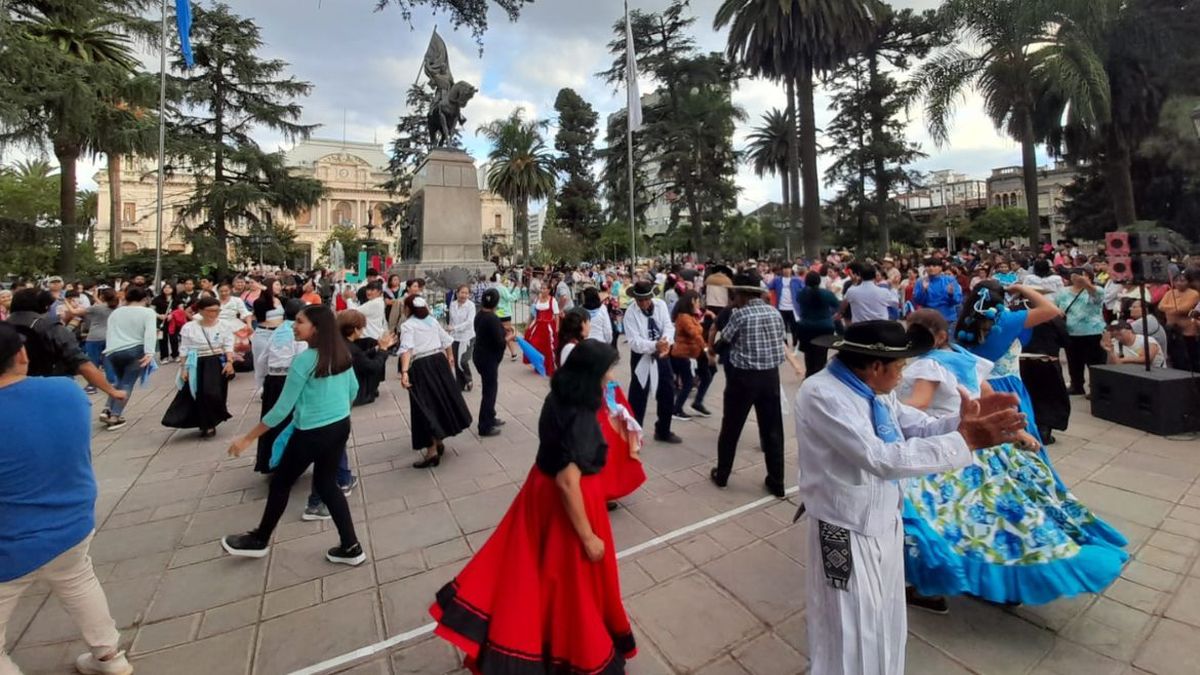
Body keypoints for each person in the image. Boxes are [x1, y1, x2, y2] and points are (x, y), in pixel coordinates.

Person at [794, 320, 1028, 675]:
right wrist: (967, 441)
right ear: (876, 367)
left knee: (884, 616)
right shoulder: (823, 394)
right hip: (843, 528)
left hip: (884, 518)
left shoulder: (875, 391)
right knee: (848, 622)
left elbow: (914, 425)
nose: (903, 376)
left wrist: (961, 423)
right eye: (900, 366)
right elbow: (881, 458)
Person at [428, 340, 641, 675]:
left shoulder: (558, 396)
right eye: (606, 370)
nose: (610, 376)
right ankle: (573, 650)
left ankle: (542, 639)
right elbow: (568, 482)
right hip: (568, 505)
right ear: (591, 375)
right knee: (571, 583)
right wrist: (587, 536)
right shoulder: (583, 415)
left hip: (538, 491)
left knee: (533, 574)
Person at [898, 310, 1126, 610]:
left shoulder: (929, 364)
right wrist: (1016, 430)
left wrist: (882, 402)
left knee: (934, 520)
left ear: (936, 337)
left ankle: (931, 588)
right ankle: (1002, 585)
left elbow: (921, 403)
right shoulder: (965, 357)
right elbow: (988, 398)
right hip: (987, 450)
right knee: (999, 517)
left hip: (946, 449)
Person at [0, 325, 133, 675]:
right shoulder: (66, 392)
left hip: (10, 541)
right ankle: (110, 657)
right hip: (72, 522)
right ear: (21, 355)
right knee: (78, 582)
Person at [221, 305, 365, 566]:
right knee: (326, 484)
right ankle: (351, 546)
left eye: (299, 322)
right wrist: (335, 410)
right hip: (340, 426)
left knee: (281, 483)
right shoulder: (341, 352)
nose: (293, 326)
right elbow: (353, 389)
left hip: (311, 432)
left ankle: (259, 540)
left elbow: (281, 409)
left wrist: (247, 438)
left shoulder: (303, 361)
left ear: (316, 328)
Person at [711, 272, 797, 498]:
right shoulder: (774, 312)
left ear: (741, 295)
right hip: (770, 377)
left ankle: (722, 475)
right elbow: (781, 341)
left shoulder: (740, 315)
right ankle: (777, 481)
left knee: (731, 427)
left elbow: (722, 343)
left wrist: (715, 346)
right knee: (772, 430)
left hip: (743, 378)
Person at [5, 289, 126, 403]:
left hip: (6, 389)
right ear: (45, 307)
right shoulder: (51, 328)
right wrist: (112, 391)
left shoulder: (3, 327)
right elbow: (82, 363)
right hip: (49, 386)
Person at [399, 295, 473, 469]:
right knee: (439, 402)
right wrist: (449, 357)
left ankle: (431, 450)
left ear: (409, 309)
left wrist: (404, 372)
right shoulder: (432, 321)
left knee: (424, 407)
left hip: (422, 366)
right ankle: (438, 439)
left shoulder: (408, 326)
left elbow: (407, 349)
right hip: (438, 363)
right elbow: (447, 340)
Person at [162, 297, 235, 437]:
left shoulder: (224, 325)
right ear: (201, 311)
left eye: (217, 310)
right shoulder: (189, 327)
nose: (214, 313)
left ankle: (214, 418)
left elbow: (228, 344)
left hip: (216, 361)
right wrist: (184, 368)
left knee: (213, 392)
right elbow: (184, 348)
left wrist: (229, 361)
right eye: (210, 311)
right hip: (196, 361)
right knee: (200, 394)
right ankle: (207, 424)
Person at [623, 280, 680, 444]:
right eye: (640, 300)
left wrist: (665, 342)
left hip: (662, 354)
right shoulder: (631, 314)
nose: (643, 303)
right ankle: (634, 436)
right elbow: (634, 342)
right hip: (642, 357)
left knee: (667, 392)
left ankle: (663, 429)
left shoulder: (660, 306)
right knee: (638, 397)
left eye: (646, 299)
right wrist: (654, 345)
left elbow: (669, 327)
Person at [254, 300, 307, 473]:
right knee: (291, 422)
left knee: (272, 422)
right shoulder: (299, 332)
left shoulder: (278, 331)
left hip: (272, 381)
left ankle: (269, 461)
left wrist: (261, 383)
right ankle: (288, 462)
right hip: (290, 382)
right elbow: (302, 359)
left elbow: (262, 359)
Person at [98, 286, 157, 431]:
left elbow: (110, 332)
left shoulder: (116, 312)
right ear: (145, 299)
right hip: (135, 349)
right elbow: (150, 333)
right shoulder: (148, 312)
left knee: (119, 381)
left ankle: (107, 409)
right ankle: (115, 416)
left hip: (113, 351)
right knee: (127, 383)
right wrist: (150, 353)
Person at [1054, 269, 1107, 395]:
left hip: (1092, 332)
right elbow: (1056, 306)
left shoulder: (1095, 290)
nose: (1076, 278)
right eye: (1074, 276)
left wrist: (1086, 285)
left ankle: (1096, 388)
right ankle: (1076, 385)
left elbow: (1098, 296)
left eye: (1080, 276)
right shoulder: (1063, 292)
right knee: (1074, 362)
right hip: (1071, 332)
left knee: (1095, 362)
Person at [473, 289, 509, 437]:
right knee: (489, 391)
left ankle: (491, 416)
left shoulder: (480, 315)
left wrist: (503, 329)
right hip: (488, 359)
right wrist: (510, 336)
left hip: (480, 355)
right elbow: (499, 342)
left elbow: (485, 332)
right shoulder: (492, 318)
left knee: (489, 388)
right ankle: (484, 426)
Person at [340, 309, 395, 407]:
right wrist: (383, 350)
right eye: (361, 328)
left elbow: (360, 357)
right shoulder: (353, 349)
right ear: (356, 329)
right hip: (357, 394)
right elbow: (372, 367)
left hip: (343, 390)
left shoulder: (341, 343)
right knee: (376, 362)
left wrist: (377, 348)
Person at [71, 288, 119, 394]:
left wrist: (66, 301)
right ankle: (112, 382)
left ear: (102, 297)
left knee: (93, 362)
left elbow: (74, 312)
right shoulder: (115, 307)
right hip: (109, 337)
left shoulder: (95, 308)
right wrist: (95, 297)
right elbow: (103, 305)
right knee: (108, 361)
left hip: (94, 338)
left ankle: (92, 385)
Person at [669, 290, 707, 421]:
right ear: (692, 301)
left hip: (688, 353)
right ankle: (677, 409)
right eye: (697, 301)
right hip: (682, 353)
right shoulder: (684, 317)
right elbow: (695, 333)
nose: (699, 304)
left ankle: (678, 408)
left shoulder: (689, 316)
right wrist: (706, 348)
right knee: (688, 383)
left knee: (690, 381)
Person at [794, 270, 841, 376]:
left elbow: (798, 301)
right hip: (824, 326)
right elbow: (836, 305)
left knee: (809, 354)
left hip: (806, 326)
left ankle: (809, 374)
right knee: (821, 354)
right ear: (819, 281)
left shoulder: (802, 294)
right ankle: (819, 374)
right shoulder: (826, 293)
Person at [1159, 271, 1200, 371]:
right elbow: (1161, 306)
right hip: (1171, 329)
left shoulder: (1194, 294)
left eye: (1182, 280)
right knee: (1175, 355)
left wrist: (1171, 308)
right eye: (1176, 280)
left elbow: (1183, 309)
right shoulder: (1169, 293)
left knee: (1191, 355)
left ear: (1188, 282)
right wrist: (1174, 308)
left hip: (1188, 331)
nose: (1179, 283)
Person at [251, 279, 285, 391]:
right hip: (263, 334)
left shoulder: (280, 300)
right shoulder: (259, 302)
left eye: (279, 284)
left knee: (277, 361)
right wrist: (266, 290)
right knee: (261, 362)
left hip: (278, 334)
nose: (279, 287)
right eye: (277, 284)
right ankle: (261, 388)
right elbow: (261, 317)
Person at [913, 258, 963, 329]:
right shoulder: (920, 281)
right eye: (928, 266)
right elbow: (918, 301)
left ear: (940, 268)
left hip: (947, 318)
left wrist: (951, 294)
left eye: (934, 266)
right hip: (928, 318)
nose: (931, 268)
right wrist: (923, 290)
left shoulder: (950, 280)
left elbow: (957, 300)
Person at [523, 284, 560, 377]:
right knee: (534, 345)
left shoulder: (553, 300)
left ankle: (549, 367)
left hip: (548, 327)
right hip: (538, 326)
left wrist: (557, 328)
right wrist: (528, 325)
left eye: (544, 288)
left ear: (549, 290)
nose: (542, 290)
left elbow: (556, 315)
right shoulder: (537, 300)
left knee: (548, 348)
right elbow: (532, 314)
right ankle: (538, 365)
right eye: (541, 288)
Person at [448, 284, 476, 392]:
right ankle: (460, 383)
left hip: (467, 336)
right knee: (455, 361)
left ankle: (468, 378)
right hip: (455, 337)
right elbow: (451, 320)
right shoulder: (452, 304)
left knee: (463, 361)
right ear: (457, 293)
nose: (464, 295)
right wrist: (450, 332)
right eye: (462, 292)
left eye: (466, 293)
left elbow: (469, 322)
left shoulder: (471, 306)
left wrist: (454, 328)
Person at [768, 264, 802, 347]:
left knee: (795, 327)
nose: (786, 270)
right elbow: (768, 287)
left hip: (793, 308)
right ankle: (784, 343)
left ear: (791, 270)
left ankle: (795, 341)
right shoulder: (777, 280)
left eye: (788, 268)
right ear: (782, 270)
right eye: (784, 268)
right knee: (783, 327)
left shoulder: (797, 280)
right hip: (781, 307)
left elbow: (804, 290)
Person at [151, 282, 181, 362]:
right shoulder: (157, 299)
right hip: (161, 322)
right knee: (162, 339)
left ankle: (175, 355)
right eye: (165, 287)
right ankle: (164, 356)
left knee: (174, 339)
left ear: (173, 289)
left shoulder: (177, 299)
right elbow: (151, 310)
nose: (167, 289)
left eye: (169, 287)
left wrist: (172, 315)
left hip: (173, 322)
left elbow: (181, 310)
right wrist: (159, 315)